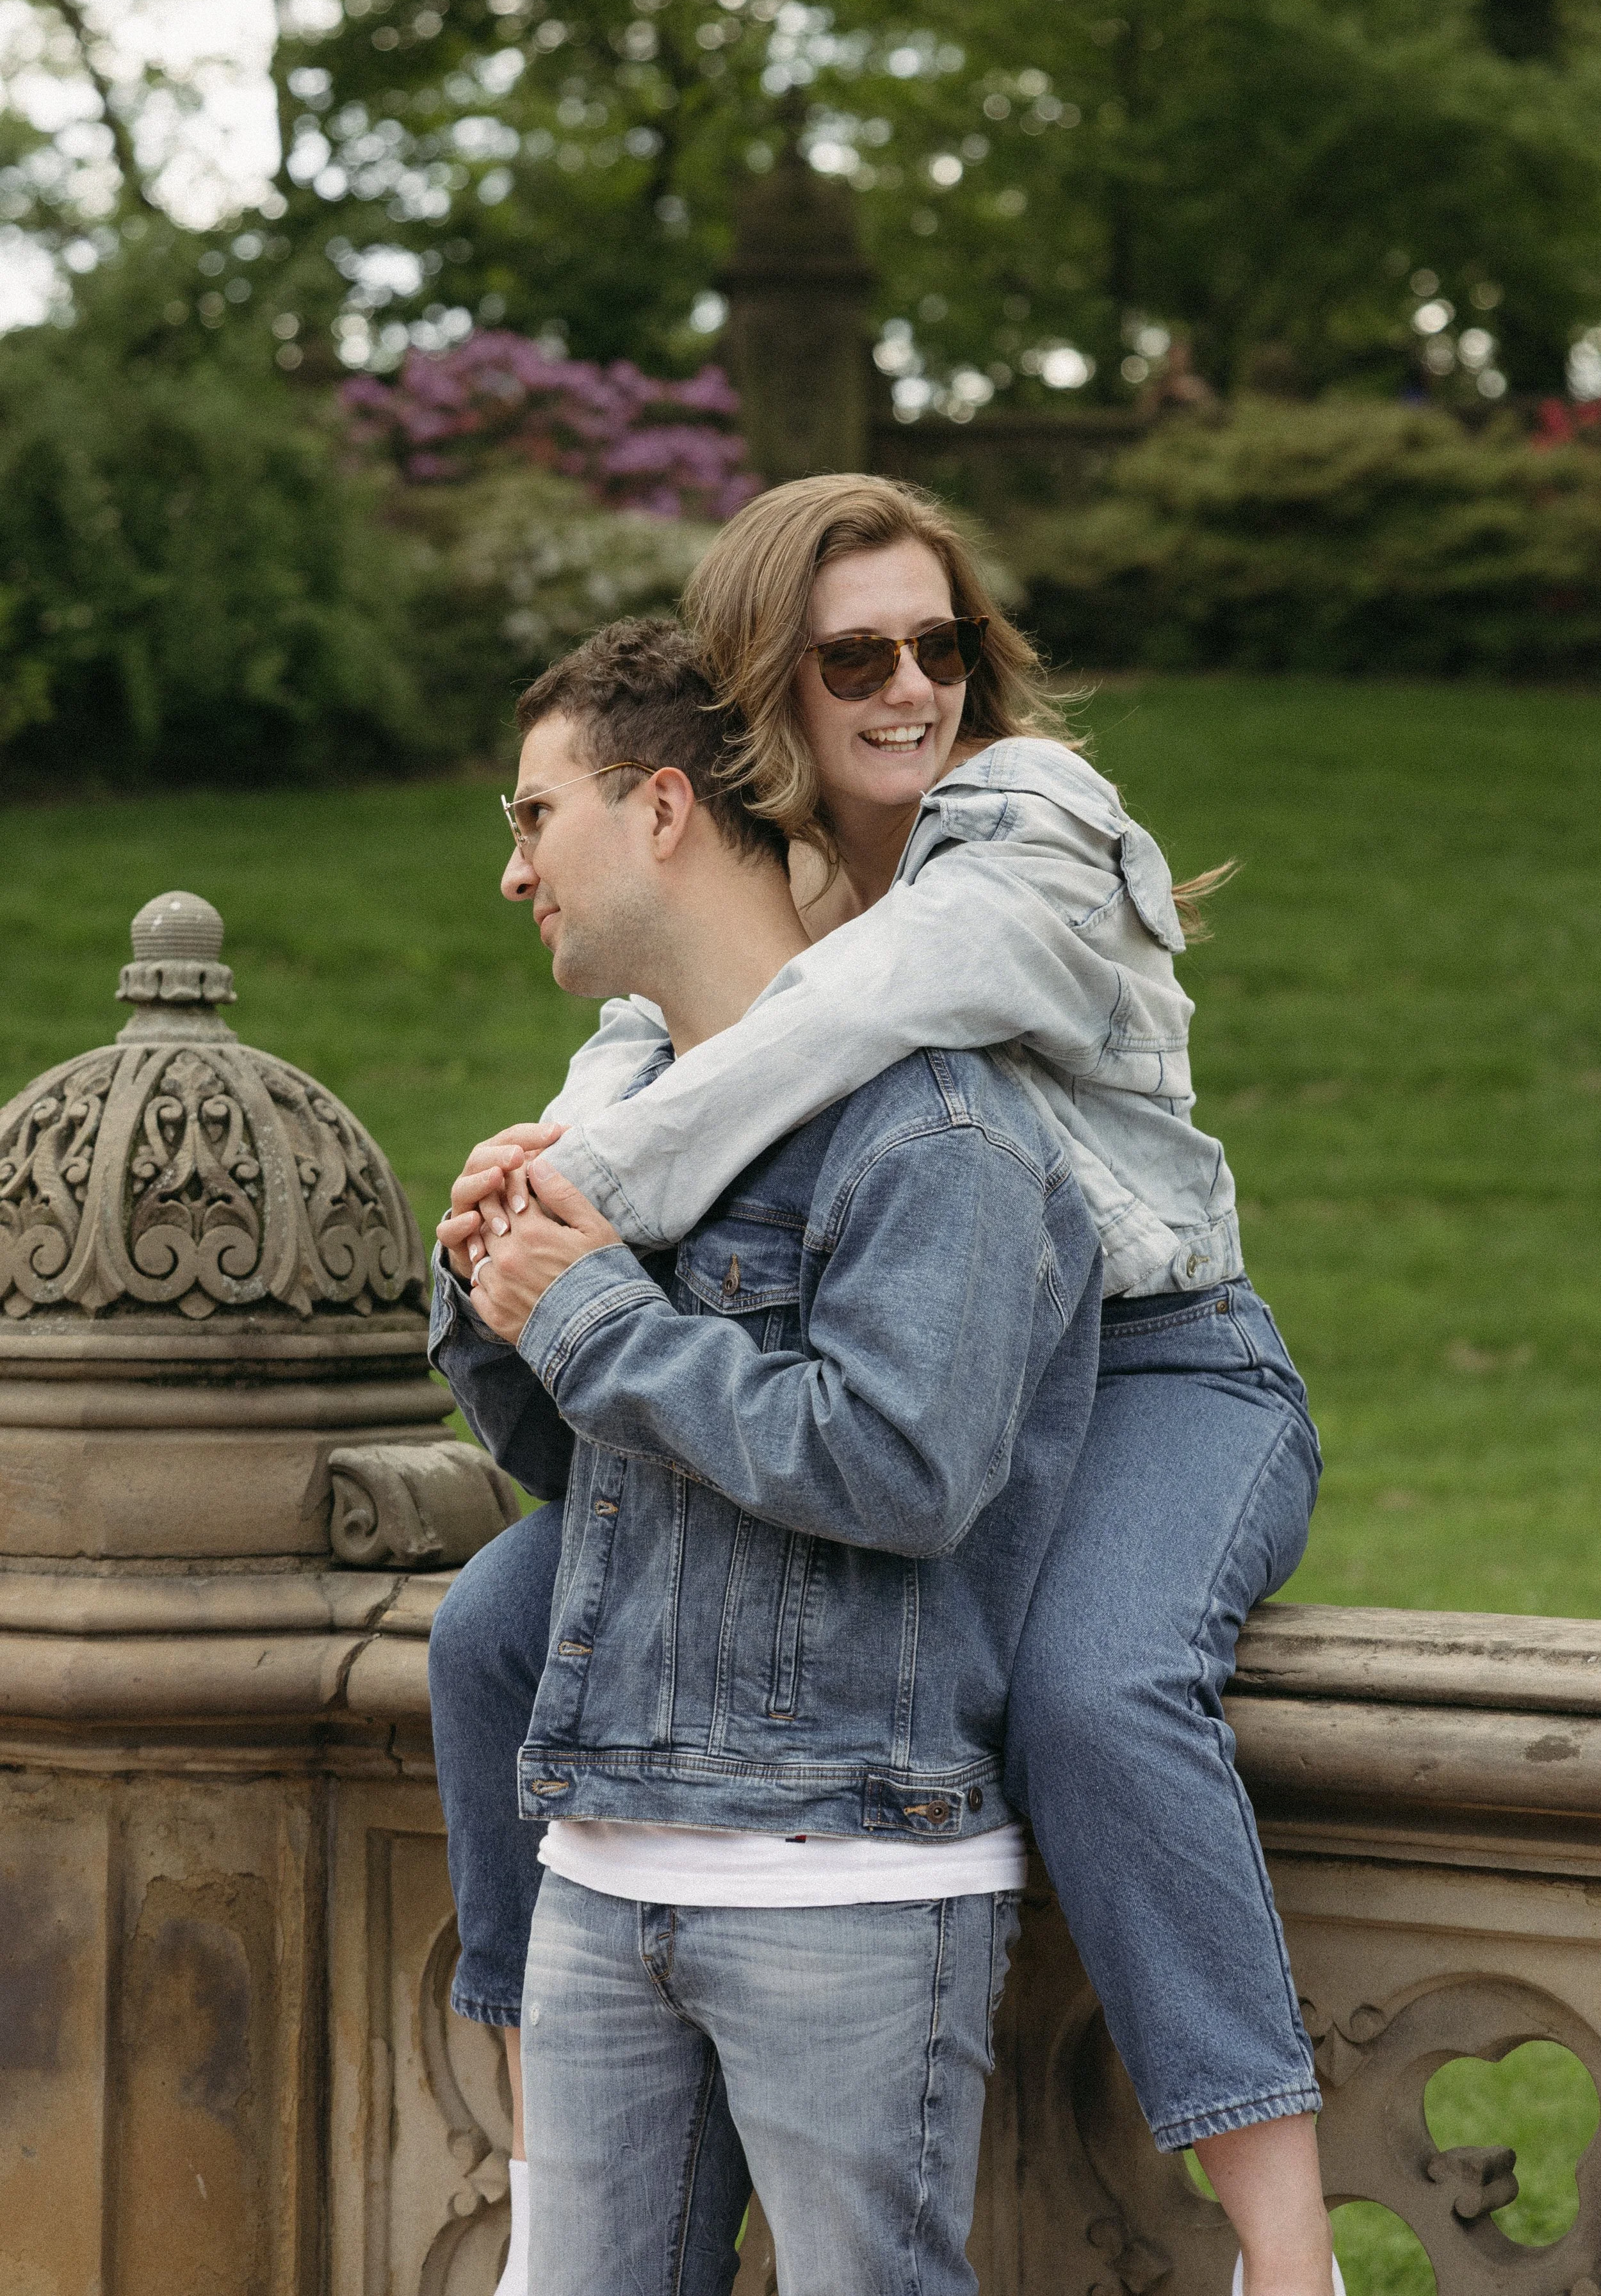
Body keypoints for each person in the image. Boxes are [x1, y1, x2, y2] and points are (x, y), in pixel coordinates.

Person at [434, 476, 1337, 2296]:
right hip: (936, 1370)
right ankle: (562, 2208)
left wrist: (584, 1206)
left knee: (1092, 1690)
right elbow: (639, 1040)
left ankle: (1286, 2252)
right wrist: (533, 1189)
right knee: (490, 1630)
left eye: (941, 641)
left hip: (1163, 1361)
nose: (910, 684)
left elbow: (835, 1026)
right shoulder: (770, 867)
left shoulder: (1022, 826)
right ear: (775, 671)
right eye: (856, 653)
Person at [429, 617, 1104, 2296]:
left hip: (846, 1882)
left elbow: (902, 1469)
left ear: (660, 807)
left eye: (534, 817)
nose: (513, 873)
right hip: (598, 1858)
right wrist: (482, 1289)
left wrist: (586, 1312)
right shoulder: (632, 1130)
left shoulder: (933, 1125)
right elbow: (587, 1473)